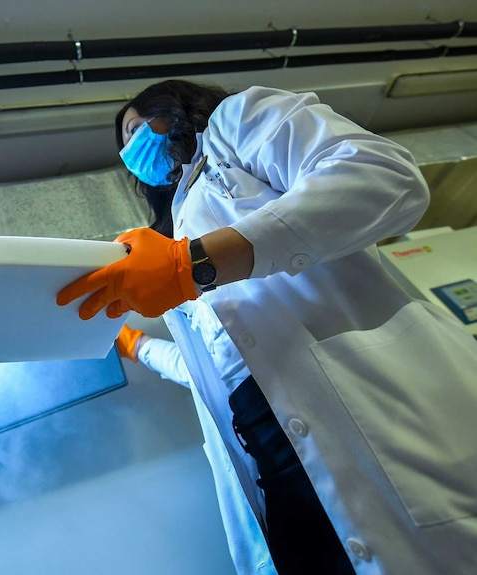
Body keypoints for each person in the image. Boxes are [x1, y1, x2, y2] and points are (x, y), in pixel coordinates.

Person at [57, 79, 477, 575]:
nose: (131, 148)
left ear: (173, 109)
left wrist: (194, 264)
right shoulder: (173, 230)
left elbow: (385, 177)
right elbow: (219, 370)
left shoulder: (235, 125)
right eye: (123, 145)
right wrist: (136, 345)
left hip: (372, 410)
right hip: (268, 454)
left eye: (135, 128)